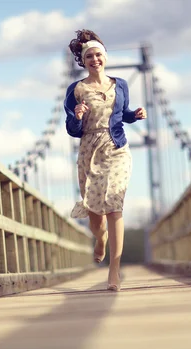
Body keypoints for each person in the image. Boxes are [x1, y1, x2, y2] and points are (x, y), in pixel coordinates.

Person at [64, 29, 147, 292]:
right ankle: (100, 239)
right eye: (89, 55)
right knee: (96, 215)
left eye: (98, 54)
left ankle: (114, 270)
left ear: (105, 57)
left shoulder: (120, 84)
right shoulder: (76, 89)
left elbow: (122, 114)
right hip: (90, 150)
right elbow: (72, 129)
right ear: (83, 60)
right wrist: (76, 116)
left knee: (114, 203)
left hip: (117, 148)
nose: (95, 59)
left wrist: (135, 114)